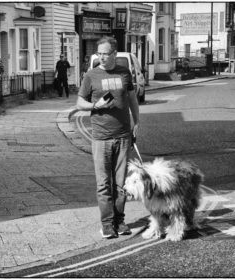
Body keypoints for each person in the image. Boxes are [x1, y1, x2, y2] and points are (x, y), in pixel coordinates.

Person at [76, 37, 140, 239]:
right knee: (104, 184)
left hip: (122, 136)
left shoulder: (124, 72)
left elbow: (131, 99)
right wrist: (96, 106)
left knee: (121, 184)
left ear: (114, 54)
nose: (102, 57)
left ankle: (119, 221)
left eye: (105, 53)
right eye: (99, 53)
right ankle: (106, 225)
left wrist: (136, 122)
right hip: (101, 137)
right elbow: (79, 103)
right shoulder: (91, 75)